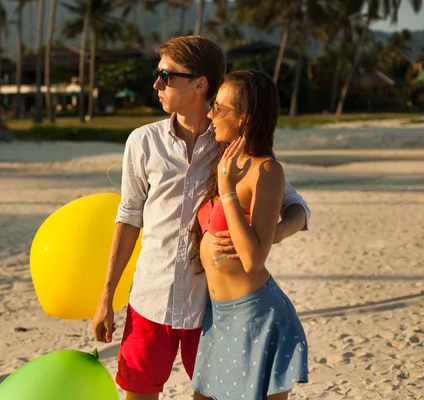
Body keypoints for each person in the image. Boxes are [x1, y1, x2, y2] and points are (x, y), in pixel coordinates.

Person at [91, 36, 310, 400]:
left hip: (208, 311)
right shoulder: (142, 142)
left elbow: (295, 203)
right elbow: (128, 218)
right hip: (150, 300)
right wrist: (106, 296)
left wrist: (272, 234)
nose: (157, 83)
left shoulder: (231, 140)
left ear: (199, 84)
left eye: (166, 75)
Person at [191, 70, 308, 400]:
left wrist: (227, 190)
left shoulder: (266, 170)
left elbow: (254, 259)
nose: (211, 113)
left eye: (219, 107)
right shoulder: (224, 157)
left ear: (245, 118)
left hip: (256, 317)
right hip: (219, 316)